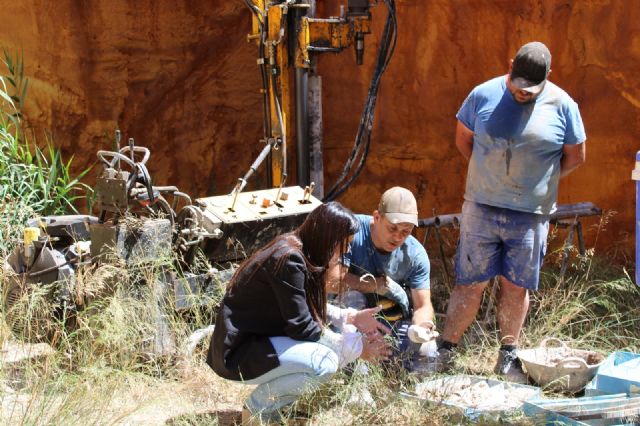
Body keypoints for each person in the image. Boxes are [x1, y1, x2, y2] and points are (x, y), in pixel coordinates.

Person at [437, 41, 587, 381]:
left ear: (550, 76)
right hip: (481, 207)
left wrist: (541, 180)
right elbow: (464, 140)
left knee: (515, 286)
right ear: (509, 67)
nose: (522, 93)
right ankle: (447, 350)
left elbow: (575, 156)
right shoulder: (482, 95)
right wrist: (489, 177)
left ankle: (507, 356)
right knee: (469, 282)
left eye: (530, 90)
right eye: (517, 86)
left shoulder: (564, 105)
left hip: (530, 215)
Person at [206, 202, 391, 424]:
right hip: (237, 354)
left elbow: (302, 306)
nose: (348, 251)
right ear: (328, 239)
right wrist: (357, 348)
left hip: (258, 345)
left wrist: (348, 317)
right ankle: (255, 412)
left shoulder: (297, 251)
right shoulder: (289, 259)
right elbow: (303, 327)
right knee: (324, 363)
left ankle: (271, 413)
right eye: (345, 244)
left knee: (326, 357)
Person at [340, 186, 435, 370]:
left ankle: (407, 389)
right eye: (393, 228)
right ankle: (354, 379)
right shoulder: (352, 232)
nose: (398, 237)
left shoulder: (415, 254)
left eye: (405, 231)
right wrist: (373, 285)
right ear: (376, 217)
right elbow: (334, 278)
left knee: (427, 350)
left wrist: (421, 328)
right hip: (350, 318)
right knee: (352, 299)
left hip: (389, 320)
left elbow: (423, 305)